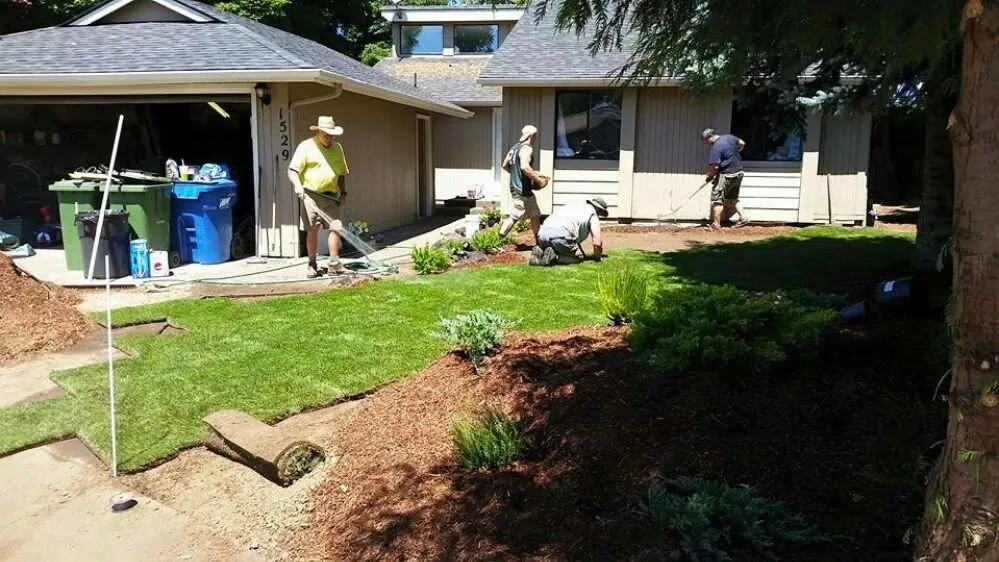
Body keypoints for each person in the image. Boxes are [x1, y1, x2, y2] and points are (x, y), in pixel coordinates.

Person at [288, 116, 350, 278]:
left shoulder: (338, 148)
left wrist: (343, 192)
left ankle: (334, 263)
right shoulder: (306, 147)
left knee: (335, 228)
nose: (329, 137)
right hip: (311, 196)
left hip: (331, 196)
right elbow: (293, 170)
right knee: (312, 229)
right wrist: (297, 185)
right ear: (319, 131)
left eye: (332, 135)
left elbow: (342, 173)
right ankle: (312, 264)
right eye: (326, 134)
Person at [498, 124, 548, 241]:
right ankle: (498, 239)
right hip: (522, 190)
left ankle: (539, 241)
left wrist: (519, 175)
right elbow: (525, 167)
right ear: (531, 135)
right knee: (514, 216)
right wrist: (539, 180)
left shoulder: (514, 148)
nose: (536, 138)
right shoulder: (527, 149)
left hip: (518, 188)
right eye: (535, 136)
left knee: (535, 214)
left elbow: (505, 165)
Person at [529, 197, 608, 266]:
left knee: (561, 243)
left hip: (542, 235)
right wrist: (597, 258)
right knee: (578, 258)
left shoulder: (574, 207)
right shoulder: (592, 214)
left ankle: (538, 254)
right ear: (599, 210)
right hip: (559, 236)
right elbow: (597, 243)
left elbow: (574, 239)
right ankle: (554, 257)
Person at [701, 128, 749, 229]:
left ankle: (716, 224)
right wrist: (737, 151)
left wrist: (709, 176)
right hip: (738, 173)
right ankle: (743, 218)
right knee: (732, 198)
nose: (706, 143)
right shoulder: (729, 137)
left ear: (709, 137)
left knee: (717, 199)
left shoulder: (716, 147)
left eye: (705, 141)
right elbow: (742, 143)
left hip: (727, 174)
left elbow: (715, 166)